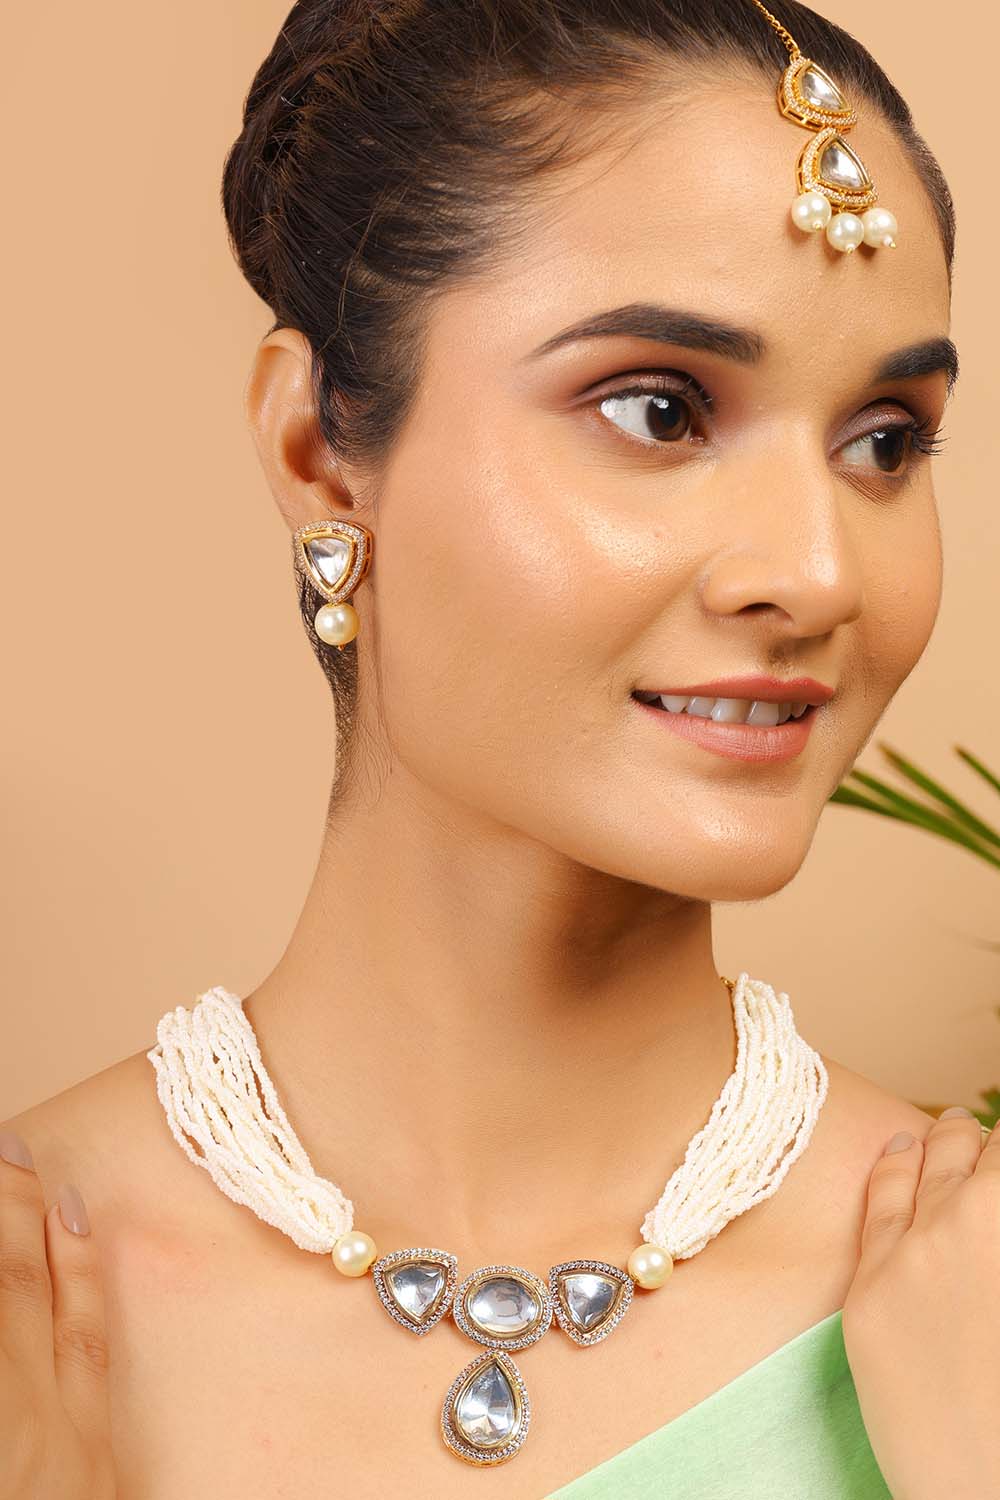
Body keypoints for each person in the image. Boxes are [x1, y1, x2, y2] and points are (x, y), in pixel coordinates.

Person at [2, 1, 996, 1496]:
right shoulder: (40, 1293)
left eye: (885, 442)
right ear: (316, 454)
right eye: (659, 410)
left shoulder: (972, 1302)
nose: (818, 571)